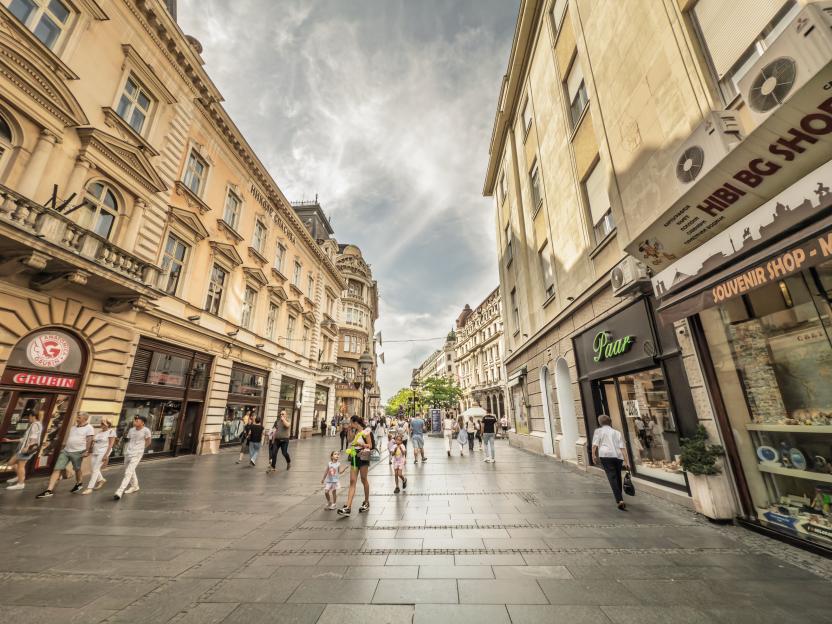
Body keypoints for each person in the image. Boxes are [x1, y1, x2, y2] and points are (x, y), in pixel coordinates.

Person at [36, 412, 95, 499]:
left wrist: (87, 451)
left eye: (79, 417)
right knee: (57, 468)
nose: (77, 418)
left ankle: (79, 483)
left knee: (77, 469)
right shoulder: (73, 427)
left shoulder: (89, 428)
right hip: (66, 451)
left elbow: (90, 440)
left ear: (85, 419)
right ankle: (49, 490)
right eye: (77, 416)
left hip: (78, 452)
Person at [337, 416, 372, 517]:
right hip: (354, 456)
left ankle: (366, 502)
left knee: (364, 479)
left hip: (363, 456)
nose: (350, 424)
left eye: (351, 423)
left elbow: (370, 445)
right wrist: (349, 430)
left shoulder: (366, 431)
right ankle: (348, 507)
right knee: (352, 481)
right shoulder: (355, 431)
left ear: (355, 423)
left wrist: (361, 445)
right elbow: (349, 440)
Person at [592, 414, 628, 510]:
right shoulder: (617, 432)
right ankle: (620, 497)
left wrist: (593, 455)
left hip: (606, 455)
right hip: (618, 456)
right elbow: (622, 447)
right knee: (618, 476)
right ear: (610, 422)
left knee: (612, 477)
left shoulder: (598, 431)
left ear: (600, 423)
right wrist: (626, 460)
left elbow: (594, 445)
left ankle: (619, 500)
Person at [113, 415, 152, 500]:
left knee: (128, 472)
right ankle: (135, 486)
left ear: (142, 423)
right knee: (130, 470)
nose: (135, 422)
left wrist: (141, 449)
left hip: (137, 453)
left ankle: (120, 491)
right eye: (135, 420)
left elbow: (148, 441)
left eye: (137, 421)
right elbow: (129, 440)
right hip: (128, 452)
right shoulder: (131, 430)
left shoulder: (146, 430)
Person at [4, 410, 44, 490]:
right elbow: (25, 439)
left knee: (20, 465)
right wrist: (10, 440)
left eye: (28, 417)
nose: (28, 419)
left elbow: (33, 438)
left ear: (32, 416)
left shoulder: (35, 425)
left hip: (26, 450)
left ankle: (21, 483)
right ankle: (19, 476)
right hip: (25, 448)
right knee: (12, 463)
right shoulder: (37, 424)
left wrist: (27, 447)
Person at [82, 418, 116, 494]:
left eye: (103, 424)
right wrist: (89, 451)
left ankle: (89, 488)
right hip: (95, 451)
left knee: (95, 469)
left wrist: (106, 455)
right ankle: (101, 480)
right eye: (101, 423)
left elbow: (110, 445)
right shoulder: (100, 432)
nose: (101, 425)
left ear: (108, 424)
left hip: (103, 452)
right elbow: (94, 442)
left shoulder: (111, 432)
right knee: (92, 469)